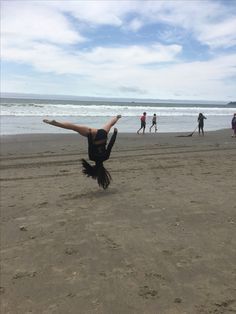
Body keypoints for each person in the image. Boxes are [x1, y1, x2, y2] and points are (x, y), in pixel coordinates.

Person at [43, 115, 122, 189]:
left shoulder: (106, 157)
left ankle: (117, 117)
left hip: (103, 136)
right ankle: (56, 123)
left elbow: (110, 145)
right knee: (74, 127)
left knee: (110, 124)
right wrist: (89, 135)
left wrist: (115, 133)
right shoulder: (92, 157)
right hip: (95, 137)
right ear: (94, 167)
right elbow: (90, 146)